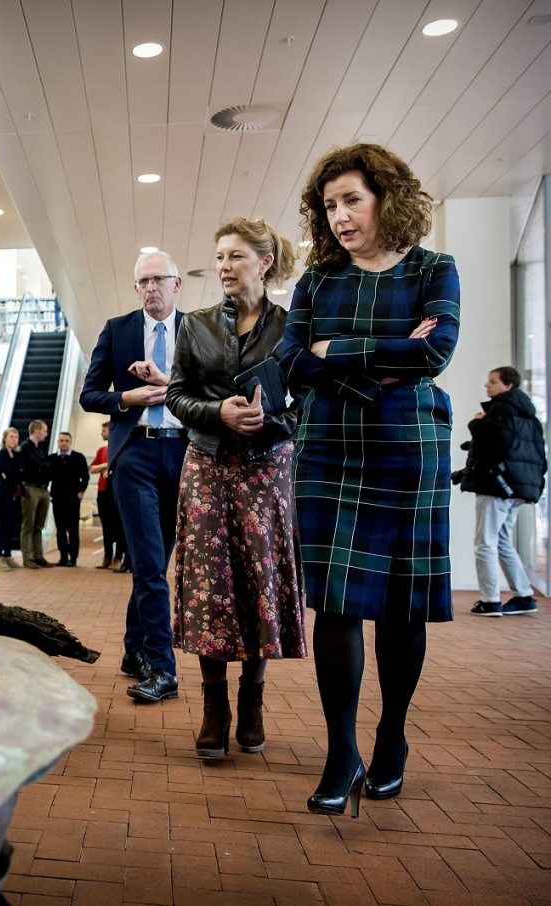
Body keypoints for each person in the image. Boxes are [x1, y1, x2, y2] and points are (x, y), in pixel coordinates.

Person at [278, 143, 460, 817]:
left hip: (407, 446)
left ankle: (391, 738)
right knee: (336, 603)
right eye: (329, 205)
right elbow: (291, 361)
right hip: (327, 447)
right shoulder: (318, 281)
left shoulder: (434, 270)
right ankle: (340, 750)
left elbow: (435, 351)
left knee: (401, 604)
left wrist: (337, 352)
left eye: (352, 199)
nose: (340, 216)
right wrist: (383, 360)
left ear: (386, 195)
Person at [165, 217, 307, 760]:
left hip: (266, 468)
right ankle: (213, 705)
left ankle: (252, 697)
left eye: (236, 257)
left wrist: (266, 422)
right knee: (207, 584)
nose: (224, 266)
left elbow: (304, 407)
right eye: (219, 256)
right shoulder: (195, 324)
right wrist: (218, 412)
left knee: (258, 579)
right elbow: (177, 396)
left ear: (264, 263)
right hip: (206, 464)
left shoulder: (292, 327)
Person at [80, 251, 189, 703]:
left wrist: (173, 386)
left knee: (155, 565)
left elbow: (213, 391)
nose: (151, 288)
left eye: (158, 279)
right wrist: (126, 396)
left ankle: (132, 650)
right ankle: (162, 667)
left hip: (184, 454)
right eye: (143, 281)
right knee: (147, 565)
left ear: (176, 284)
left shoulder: (198, 330)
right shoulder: (117, 329)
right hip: (135, 454)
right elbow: (90, 394)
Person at [454, 367, 546, 616]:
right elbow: (516, 454)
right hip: (515, 487)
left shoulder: (501, 409)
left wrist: (476, 422)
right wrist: (464, 474)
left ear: (508, 386)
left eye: (493, 381)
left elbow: (494, 444)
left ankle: (490, 600)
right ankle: (524, 595)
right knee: (503, 541)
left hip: (495, 487)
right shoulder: (528, 416)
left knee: (484, 543)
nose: (487, 385)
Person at [48, 432, 89, 567]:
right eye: (61, 440)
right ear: (58, 442)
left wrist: (81, 491)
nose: (64, 443)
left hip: (73, 499)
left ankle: (73, 558)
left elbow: (85, 476)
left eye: (66, 440)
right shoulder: (52, 459)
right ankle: (63, 557)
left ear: (70, 442)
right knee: (60, 530)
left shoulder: (78, 458)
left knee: (73, 529)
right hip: (58, 499)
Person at [89, 422, 126, 570]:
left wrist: (107, 466)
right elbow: (92, 468)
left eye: (103, 430)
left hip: (117, 491)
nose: (101, 433)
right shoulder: (101, 450)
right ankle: (107, 556)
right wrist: (106, 465)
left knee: (119, 525)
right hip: (103, 491)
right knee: (106, 526)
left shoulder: (121, 448)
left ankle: (118, 557)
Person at [16, 420, 53, 568]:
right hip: (30, 488)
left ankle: (38, 555)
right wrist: (44, 466)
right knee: (28, 525)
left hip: (44, 489)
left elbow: (47, 464)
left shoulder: (42, 447)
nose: (46, 433)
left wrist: (44, 466)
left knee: (39, 526)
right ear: (37, 431)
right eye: (44, 430)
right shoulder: (25, 448)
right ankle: (27, 557)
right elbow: (34, 464)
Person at [0, 426, 24, 571]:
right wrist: (16, 473)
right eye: (11, 436)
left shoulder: (18, 455)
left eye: (16, 437)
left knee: (12, 526)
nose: (14, 439)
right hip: (4, 495)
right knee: (3, 525)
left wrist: (15, 473)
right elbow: (7, 474)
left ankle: (8, 555)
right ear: (5, 438)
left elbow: (21, 473)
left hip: (16, 495)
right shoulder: (1, 454)